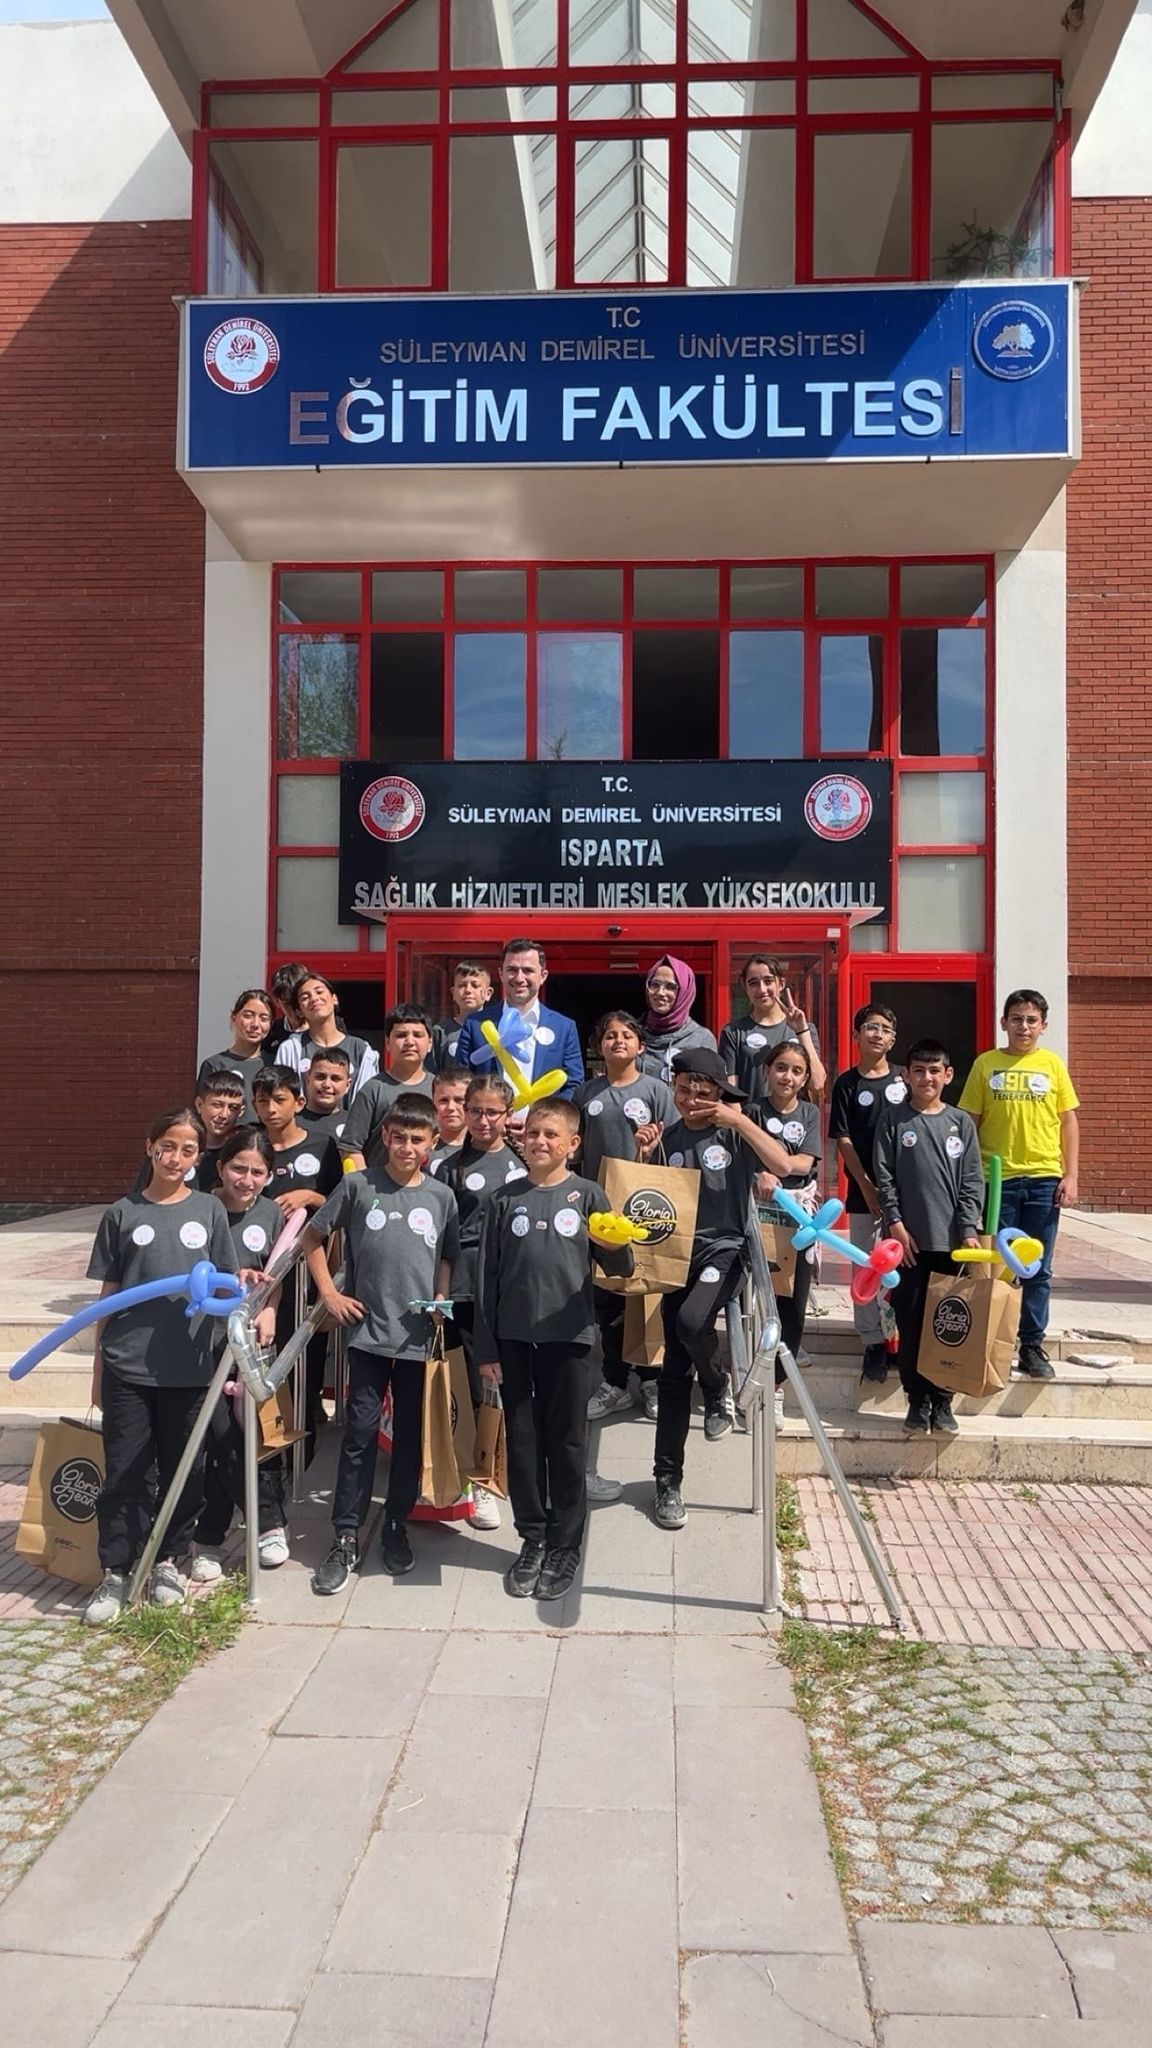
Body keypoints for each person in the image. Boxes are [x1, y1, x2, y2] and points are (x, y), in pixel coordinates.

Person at [82, 1106, 240, 1628]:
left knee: (184, 1469)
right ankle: (117, 1569)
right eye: (167, 1147)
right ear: (150, 1148)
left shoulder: (209, 1211)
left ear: (199, 1158)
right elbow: (108, 1296)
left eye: (188, 1150)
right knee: (125, 1470)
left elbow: (225, 1283)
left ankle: (169, 1561)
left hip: (189, 1365)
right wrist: (98, 1370)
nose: (175, 1158)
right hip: (127, 1364)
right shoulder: (122, 1213)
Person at [473, 1097, 634, 1603]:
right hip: (514, 1340)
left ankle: (565, 1544)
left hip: (570, 1338)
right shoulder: (504, 1199)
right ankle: (533, 1537)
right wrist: (487, 1347)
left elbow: (622, 1267)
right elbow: (486, 1278)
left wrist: (614, 1243)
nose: (539, 1142)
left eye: (551, 1135)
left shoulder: (588, 1195)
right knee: (522, 1442)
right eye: (533, 1133)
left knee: (565, 1443)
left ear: (572, 1143)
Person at [305, 1093, 459, 1593]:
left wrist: (440, 1297)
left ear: (432, 1143)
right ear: (385, 1138)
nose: (407, 1147)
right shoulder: (357, 1186)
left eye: (417, 1139)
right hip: (367, 1335)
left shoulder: (441, 1196)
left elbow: (446, 1256)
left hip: (416, 1337)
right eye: (399, 1137)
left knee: (410, 1437)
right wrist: (330, 1294)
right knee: (359, 1434)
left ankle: (395, 1523)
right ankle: (346, 1535)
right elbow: (312, 1239)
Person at [637, 1048, 792, 1530]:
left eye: (703, 1093)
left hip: (724, 1252)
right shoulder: (669, 1137)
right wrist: (643, 1154)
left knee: (691, 1322)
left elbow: (784, 1165)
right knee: (672, 1371)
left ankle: (716, 1381)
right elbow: (648, 1200)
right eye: (684, 1090)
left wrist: (738, 1120)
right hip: (675, 1257)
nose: (692, 1100)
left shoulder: (734, 1131)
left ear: (719, 1094)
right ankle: (667, 1480)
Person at [959, 989, 1080, 1381]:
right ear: (1003, 1023)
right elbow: (970, 1122)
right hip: (997, 1182)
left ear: (1043, 1026)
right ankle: (992, 1342)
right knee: (996, 1268)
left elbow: (1068, 1122)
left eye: (1031, 1020)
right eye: (1016, 1018)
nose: (1023, 1026)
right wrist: (967, 1178)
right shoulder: (986, 1064)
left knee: (1037, 1268)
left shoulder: (1052, 1065)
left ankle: (1031, 1345)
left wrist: (1071, 1175)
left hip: (1044, 1180)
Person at [874, 1039, 984, 1439]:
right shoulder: (893, 1120)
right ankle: (917, 1398)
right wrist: (896, 1224)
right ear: (906, 1075)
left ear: (948, 1075)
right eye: (919, 1071)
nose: (927, 1078)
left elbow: (972, 1180)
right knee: (911, 1319)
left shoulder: (960, 1123)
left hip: (951, 1243)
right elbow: (884, 1176)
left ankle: (943, 1399)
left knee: (949, 1324)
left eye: (934, 1071)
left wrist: (968, 1228)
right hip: (909, 1244)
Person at [193, 1129, 290, 1576]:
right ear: (220, 1167)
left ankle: (234, 1530)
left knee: (255, 1431)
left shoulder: (271, 1213)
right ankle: (244, 1527)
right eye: (238, 1168)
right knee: (217, 1437)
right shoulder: (200, 1207)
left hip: (251, 1341)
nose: (246, 1180)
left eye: (257, 1172)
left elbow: (276, 1272)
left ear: (269, 1175)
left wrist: (270, 1310)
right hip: (202, 1341)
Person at [435, 1075, 530, 1532]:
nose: (483, 1119)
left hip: (512, 1286)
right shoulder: (448, 1167)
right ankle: (477, 1479)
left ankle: (509, 1469)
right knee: (472, 1384)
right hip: (465, 1287)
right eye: (475, 1110)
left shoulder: (523, 1163)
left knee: (509, 1382)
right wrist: (441, 1293)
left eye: (493, 1112)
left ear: (508, 1114)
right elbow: (441, 1239)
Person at [580, 1010, 675, 1426]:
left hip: (646, 1207)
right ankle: (615, 1382)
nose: (618, 1041)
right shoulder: (586, 1093)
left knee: (648, 1294)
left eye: (626, 1035)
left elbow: (674, 1145)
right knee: (609, 1297)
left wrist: (650, 1149)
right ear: (599, 1046)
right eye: (609, 1035)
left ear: (641, 1046)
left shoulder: (657, 1090)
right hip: (601, 1211)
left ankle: (652, 1380)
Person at [829, 1004, 907, 1385]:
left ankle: (899, 1338)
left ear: (893, 1039)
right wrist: (865, 1186)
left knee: (903, 1267)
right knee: (865, 1266)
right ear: (856, 1035)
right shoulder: (847, 1084)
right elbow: (843, 1139)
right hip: (865, 1193)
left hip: (905, 1193)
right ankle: (872, 1341)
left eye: (885, 1028)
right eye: (870, 1027)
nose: (877, 1034)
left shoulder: (905, 1079)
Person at [757, 1039, 822, 1425]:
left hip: (798, 1216)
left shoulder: (810, 1113)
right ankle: (747, 1379)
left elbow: (802, 1164)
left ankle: (777, 1387)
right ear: (767, 1070)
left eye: (797, 1071)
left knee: (793, 1305)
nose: (788, 1076)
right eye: (781, 1067)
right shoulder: (752, 1110)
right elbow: (744, 1155)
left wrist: (774, 1167)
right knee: (757, 1301)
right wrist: (758, 1172)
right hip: (758, 1215)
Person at [455, 937, 584, 1100]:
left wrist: (546, 1114)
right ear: (501, 974)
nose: (519, 978)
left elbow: (573, 1084)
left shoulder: (563, 1027)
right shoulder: (475, 1024)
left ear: (543, 976)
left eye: (528, 971)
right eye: (512, 970)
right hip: (489, 1116)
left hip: (541, 1116)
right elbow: (461, 1081)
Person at [340, 1005, 437, 1170]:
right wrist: (365, 1183)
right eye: (401, 1035)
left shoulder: (440, 1090)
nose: (409, 1042)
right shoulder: (373, 1089)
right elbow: (350, 1148)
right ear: (387, 1043)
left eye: (417, 1035)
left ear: (430, 1043)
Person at [719, 955, 826, 1103]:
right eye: (753, 983)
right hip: (748, 1116)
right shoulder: (733, 1032)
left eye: (768, 981)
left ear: (781, 984)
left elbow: (817, 1084)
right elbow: (730, 1093)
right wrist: (743, 1119)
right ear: (745, 988)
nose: (762, 989)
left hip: (794, 1118)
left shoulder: (805, 1029)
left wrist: (801, 1031)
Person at [275, 973, 379, 1103]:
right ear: (299, 1011)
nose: (314, 998)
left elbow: (367, 1102)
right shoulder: (290, 1048)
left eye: (319, 992)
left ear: (334, 998)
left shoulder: (361, 1050)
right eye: (305, 997)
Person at [637, 955, 716, 1084]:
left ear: (685, 991)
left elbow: (709, 1089)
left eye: (670, 987)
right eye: (654, 984)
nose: (660, 992)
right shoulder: (633, 1034)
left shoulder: (702, 1039)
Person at [196, 987, 274, 1113]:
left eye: (264, 1018)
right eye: (248, 1016)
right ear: (233, 1018)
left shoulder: (274, 1063)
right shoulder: (214, 1065)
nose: (255, 1024)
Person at [193, 1068, 248, 1190]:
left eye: (233, 1108)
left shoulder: (243, 1152)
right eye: (217, 1105)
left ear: (241, 1111)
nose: (224, 1115)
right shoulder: (183, 1150)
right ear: (199, 1105)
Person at [434, 960, 493, 1067]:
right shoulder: (441, 1031)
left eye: (475, 985)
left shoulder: (497, 1028)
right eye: (461, 985)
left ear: (488, 993)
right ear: (453, 993)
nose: (468, 990)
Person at [299, 1045, 353, 1141]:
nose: (327, 1084)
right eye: (320, 1077)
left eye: (335, 1079)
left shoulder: (354, 1124)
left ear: (347, 1085)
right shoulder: (291, 1123)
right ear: (308, 1080)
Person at [428, 1063, 470, 1170]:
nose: (451, 1107)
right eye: (443, 1100)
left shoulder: (484, 1147)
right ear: (433, 1102)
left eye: (459, 1100)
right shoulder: (420, 1147)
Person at [265, 963, 310, 1058]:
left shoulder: (327, 1028)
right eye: (288, 1003)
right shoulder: (271, 1033)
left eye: (300, 1000)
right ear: (277, 1001)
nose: (296, 1009)